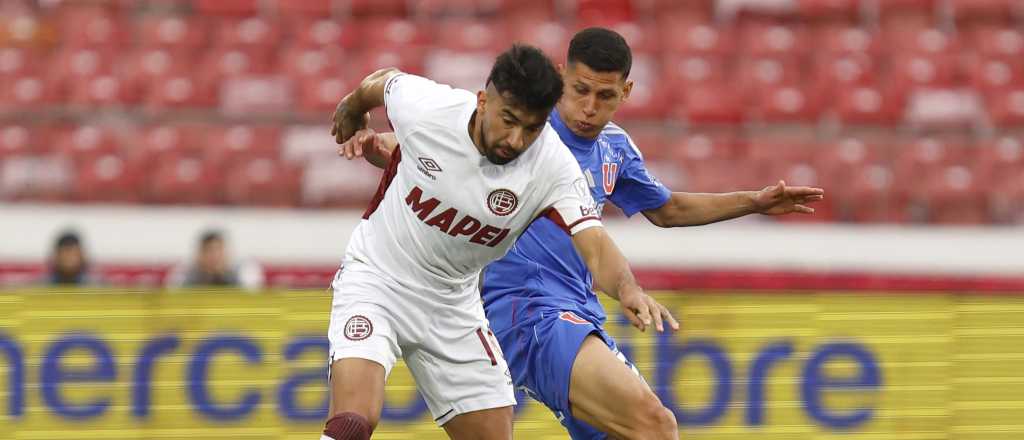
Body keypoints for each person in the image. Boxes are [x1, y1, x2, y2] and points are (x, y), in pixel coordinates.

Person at [338, 28, 825, 439]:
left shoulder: (608, 151)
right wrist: (378, 141)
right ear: (562, 80)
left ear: (626, 93)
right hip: (526, 308)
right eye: (580, 90)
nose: (589, 107)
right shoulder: (529, 128)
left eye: (605, 95)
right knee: (655, 427)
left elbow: (664, 210)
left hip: (578, 308)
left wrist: (753, 203)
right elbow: (445, 142)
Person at [323, 44, 675, 440]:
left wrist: (628, 288)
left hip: (453, 304)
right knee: (354, 421)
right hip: (378, 280)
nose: (515, 139)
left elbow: (594, 241)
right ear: (483, 100)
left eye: (532, 127)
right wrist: (352, 109)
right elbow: (382, 82)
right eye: (508, 120)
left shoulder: (553, 165)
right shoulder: (431, 106)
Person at [165, 229, 264, 290]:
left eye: (218, 251)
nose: (214, 256)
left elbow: (251, 299)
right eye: (209, 251)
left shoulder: (243, 269)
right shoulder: (186, 271)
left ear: (227, 252)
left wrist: (223, 277)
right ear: (200, 254)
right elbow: (173, 297)